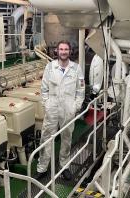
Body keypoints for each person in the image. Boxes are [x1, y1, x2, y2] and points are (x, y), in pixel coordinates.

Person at [35, 40, 85, 180]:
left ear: (70, 51)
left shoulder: (76, 68)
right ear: (57, 51)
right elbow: (44, 88)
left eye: (66, 49)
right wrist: (47, 104)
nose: (63, 52)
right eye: (61, 49)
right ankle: (42, 168)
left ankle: (64, 167)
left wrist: (76, 106)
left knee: (66, 138)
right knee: (46, 138)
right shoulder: (50, 67)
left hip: (68, 108)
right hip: (52, 108)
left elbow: (81, 90)